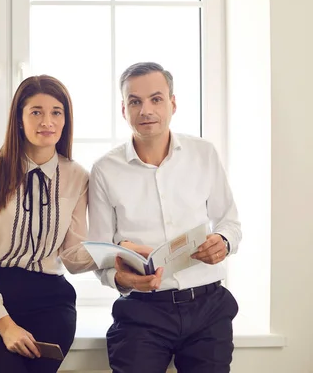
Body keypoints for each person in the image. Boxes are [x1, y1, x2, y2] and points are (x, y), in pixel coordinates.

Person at [88, 62, 241, 373]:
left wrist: (222, 241)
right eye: (135, 101)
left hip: (208, 307)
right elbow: (101, 252)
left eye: (156, 99)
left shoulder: (204, 153)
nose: (146, 110)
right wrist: (119, 279)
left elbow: (231, 223)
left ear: (173, 103)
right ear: (123, 109)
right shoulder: (105, 169)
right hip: (142, 311)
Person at [0, 75, 97, 373]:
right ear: (19, 119)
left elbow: (72, 256)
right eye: (36, 112)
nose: (47, 121)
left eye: (56, 112)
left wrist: (115, 253)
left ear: (65, 119)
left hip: (51, 301)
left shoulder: (77, 177)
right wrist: (5, 325)